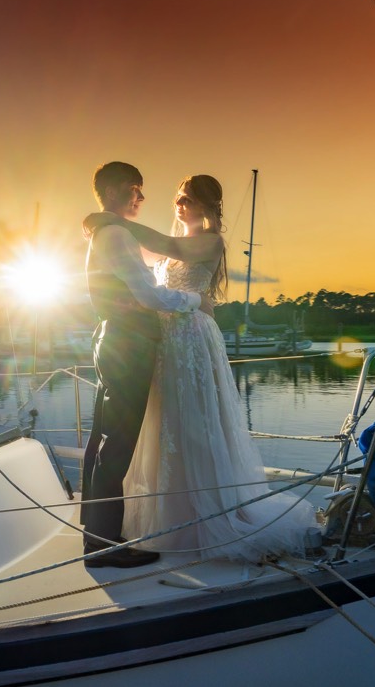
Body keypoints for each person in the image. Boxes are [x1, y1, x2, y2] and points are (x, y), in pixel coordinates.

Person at [85, 175, 315, 563]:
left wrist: (110, 220)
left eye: (188, 199)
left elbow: (169, 245)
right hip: (163, 337)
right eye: (178, 197)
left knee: (193, 420)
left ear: (209, 204)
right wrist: (109, 229)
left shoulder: (210, 241)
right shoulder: (166, 249)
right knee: (163, 422)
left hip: (190, 336)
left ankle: (201, 515)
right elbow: (141, 272)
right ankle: (155, 518)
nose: (180, 204)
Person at [81, 162, 213, 569]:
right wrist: (195, 303)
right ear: (123, 188)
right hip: (128, 344)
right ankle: (103, 546)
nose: (142, 198)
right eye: (138, 190)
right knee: (117, 444)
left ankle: (97, 534)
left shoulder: (109, 231)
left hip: (115, 340)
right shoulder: (116, 233)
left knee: (103, 441)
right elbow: (147, 294)